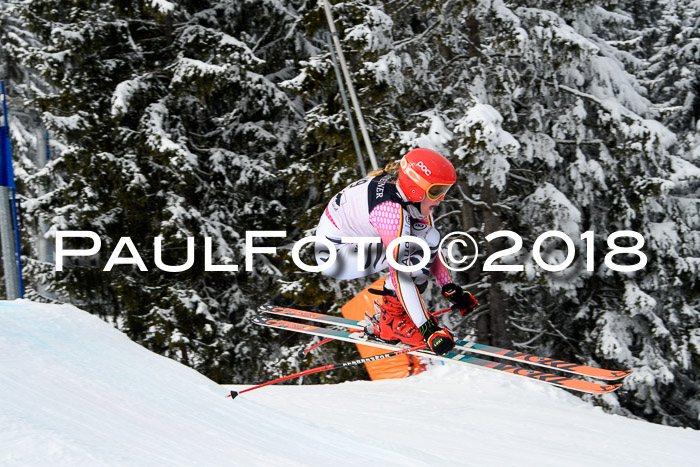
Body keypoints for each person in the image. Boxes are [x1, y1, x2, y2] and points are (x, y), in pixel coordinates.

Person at [314, 148, 477, 355]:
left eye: (445, 191)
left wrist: (450, 288)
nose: (441, 199)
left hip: (348, 244)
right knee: (415, 246)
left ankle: (397, 314)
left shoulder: (409, 198)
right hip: (335, 257)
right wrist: (427, 329)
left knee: (428, 236)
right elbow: (400, 274)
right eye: (436, 191)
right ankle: (392, 320)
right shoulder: (390, 210)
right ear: (416, 188)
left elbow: (431, 245)